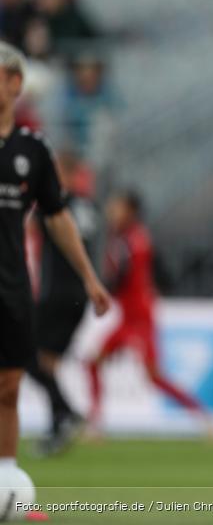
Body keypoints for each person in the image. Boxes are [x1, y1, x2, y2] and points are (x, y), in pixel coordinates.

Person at [0, 41, 110, 490]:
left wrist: (89, 276)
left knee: (8, 387)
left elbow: (57, 216)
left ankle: (6, 484)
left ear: (14, 83)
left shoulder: (33, 150)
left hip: (11, 284)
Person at [86, 190, 213, 439]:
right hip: (129, 317)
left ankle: (204, 416)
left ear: (130, 211)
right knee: (93, 362)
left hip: (139, 319)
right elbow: (158, 271)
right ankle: (95, 424)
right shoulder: (137, 237)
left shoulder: (127, 241)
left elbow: (120, 277)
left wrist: (97, 289)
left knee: (153, 377)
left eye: (118, 206)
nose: (112, 211)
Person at [26, 150, 100, 456]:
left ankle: (65, 412)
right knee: (47, 364)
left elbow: (29, 228)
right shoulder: (88, 207)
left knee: (27, 356)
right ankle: (59, 425)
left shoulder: (54, 204)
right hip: (79, 295)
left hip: (56, 294)